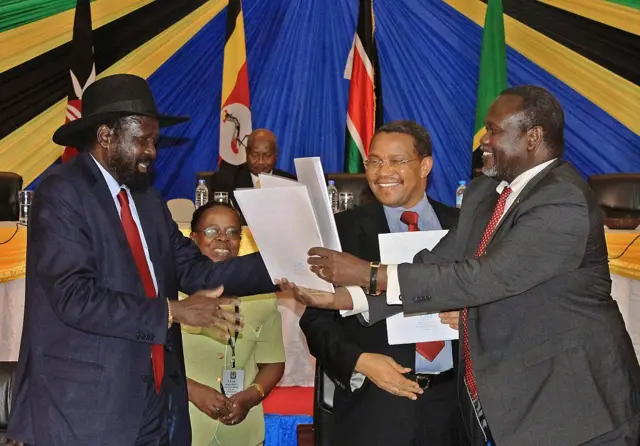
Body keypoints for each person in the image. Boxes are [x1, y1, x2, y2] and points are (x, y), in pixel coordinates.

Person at [280, 86, 640, 445]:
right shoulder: (487, 193)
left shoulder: (562, 198)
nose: (483, 140)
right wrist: (345, 300)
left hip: (578, 407)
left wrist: (369, 273)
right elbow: (436, 264)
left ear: (532, 137)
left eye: (495, 130)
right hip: (519, 405)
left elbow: (484, 277)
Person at [7, 74, 277, 446]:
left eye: (154, 140)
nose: (152, 151)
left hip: (153, 399)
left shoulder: (147, 201)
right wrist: (172, 312)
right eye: (142, 140)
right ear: (105, 137)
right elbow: (74, 297)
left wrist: (284, 263)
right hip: (84, 408)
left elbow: (198, 272)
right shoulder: (62, 192)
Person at [299, 121, 464, 446]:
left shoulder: (462, 226)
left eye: (396, 161)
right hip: (372, 407)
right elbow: (316, 320)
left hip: (451, 410)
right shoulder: (340, 231)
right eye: (374, 161)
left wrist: (471, 319)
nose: (382, 171)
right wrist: (360, 362)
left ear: (425, 165)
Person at [183, 202, 285, 445]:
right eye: (211, 231)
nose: (222, 239)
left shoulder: (262, 295)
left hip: (243, 432)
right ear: (193, 237)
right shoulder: (170, 294)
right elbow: (145, 359)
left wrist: (251, 396)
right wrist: (192, 391)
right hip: (184, 425)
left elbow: (273, 362)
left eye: (232, 232)